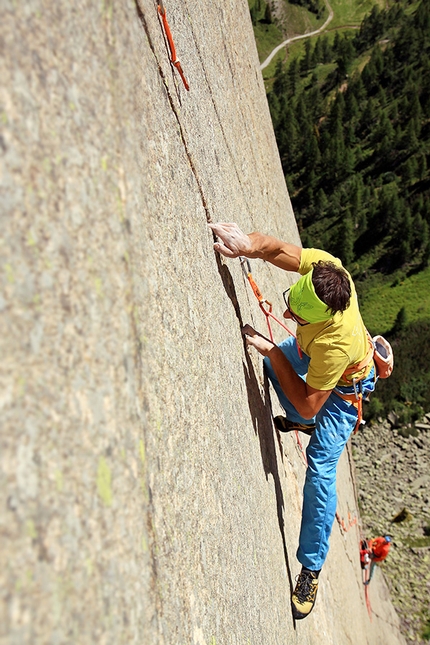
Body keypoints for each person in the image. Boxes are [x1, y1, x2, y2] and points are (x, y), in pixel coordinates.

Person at [209, 222, 377, 620]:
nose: (285, 312)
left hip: (342, 389)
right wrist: (245, 245)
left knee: (320, 467)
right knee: (271, 363)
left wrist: (278, 353)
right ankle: (293, 376)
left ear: (320, 318)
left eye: (296, 315)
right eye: (291, 303)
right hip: (311, 350)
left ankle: (311, 569)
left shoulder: (337, 343)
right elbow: (275, 248)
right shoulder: (328, 271)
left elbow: (308, 403)